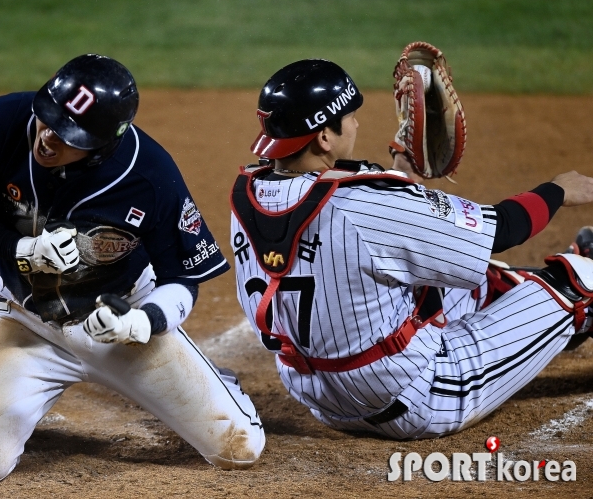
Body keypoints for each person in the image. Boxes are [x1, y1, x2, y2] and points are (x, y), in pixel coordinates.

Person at [230, 59, 593, 439]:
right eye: (350, 117)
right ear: (324, 136)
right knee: (577, 280)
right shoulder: (367, 205)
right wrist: (558, 190)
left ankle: (535, 306)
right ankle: (578, 307)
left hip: (323, 401)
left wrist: (402, 174)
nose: (356, 124)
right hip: (417, 397)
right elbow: (502, 229)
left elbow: (346, 217)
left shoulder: (248, 195)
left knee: (478, 280)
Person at [0, 54, 264, 482]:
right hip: (28, 323)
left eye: (68, 134)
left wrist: (144, 321)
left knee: (240, 450)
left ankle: (219, 384)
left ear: (104, 144)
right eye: (48, 119)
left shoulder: (150, 175)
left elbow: (182, 279)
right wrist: (22, 247)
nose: (48, 138)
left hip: (121, 330)